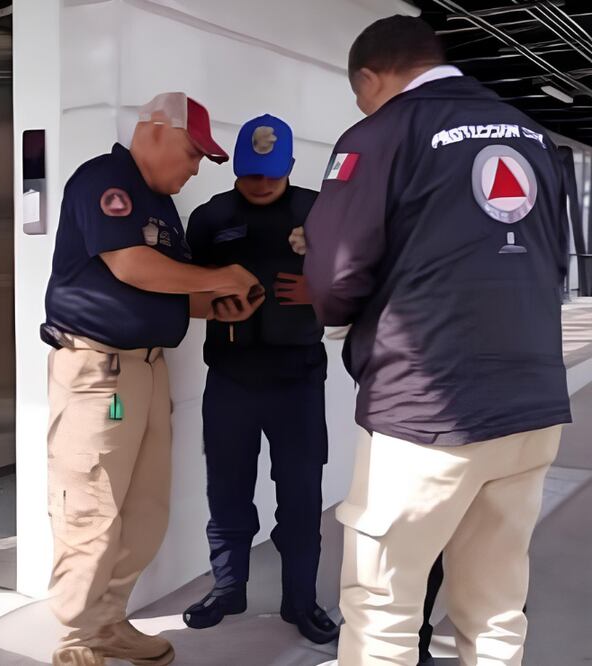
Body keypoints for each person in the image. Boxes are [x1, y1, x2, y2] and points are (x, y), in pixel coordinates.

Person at [304, 16, 570, 666]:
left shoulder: (382, 133)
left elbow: (334, 279)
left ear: (371, 77)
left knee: (383, 609)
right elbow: (553, 263)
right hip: (531, 410)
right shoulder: (533, 135)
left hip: (425, 416)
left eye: (360, 94)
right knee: (497, 608)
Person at [42, 92, 264, 666]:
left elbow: (159, 288)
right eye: (193, 153)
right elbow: (131, 265)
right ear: (156, 131)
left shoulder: (162, 207)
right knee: (91, 507)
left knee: (144, 511)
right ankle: (74, 640)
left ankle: (108, 622)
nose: (194, 168)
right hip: (99, 372)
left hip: (144, 372)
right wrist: (219, 277)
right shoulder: (105, 180)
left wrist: (213, 307)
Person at [181, 114, 338, 645]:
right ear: (236, 170)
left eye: (272, 172)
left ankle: (301, 600)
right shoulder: (210, 217)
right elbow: (182, 288)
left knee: (300, 496)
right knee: (226, 489)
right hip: (230, 379)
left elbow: (362, 275)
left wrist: (319, 290)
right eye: (250, 173)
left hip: (298, 381)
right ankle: (229, 588)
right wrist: (210, 303)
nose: (262, 183)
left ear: (291, 166)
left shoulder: (321, 211)